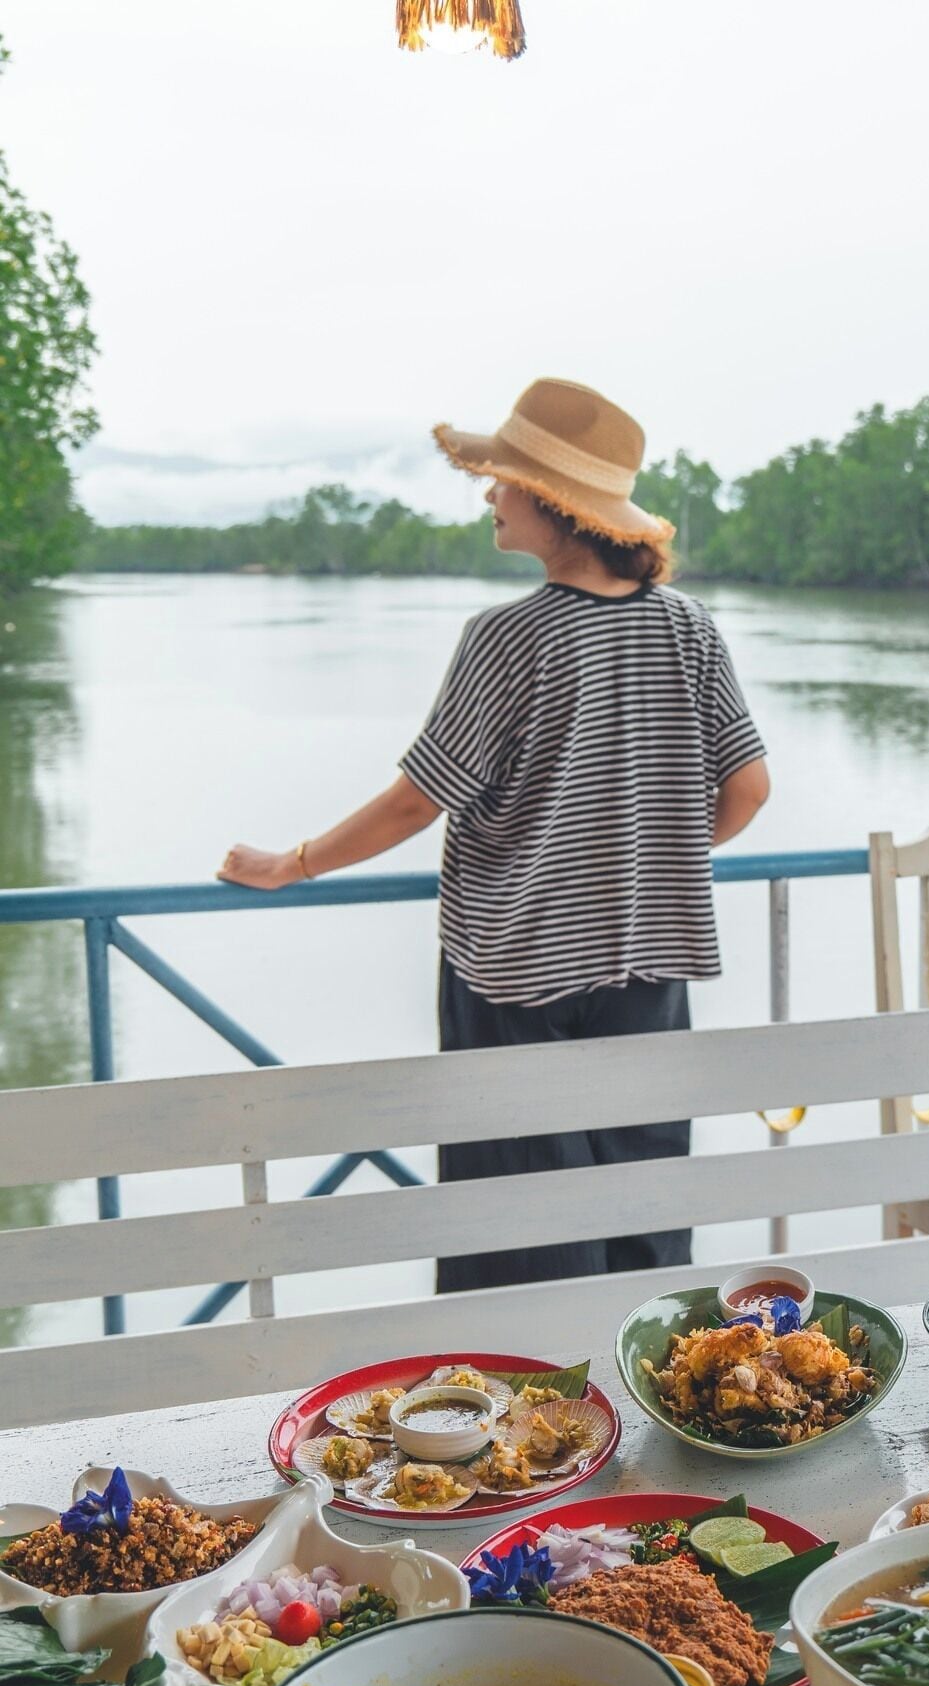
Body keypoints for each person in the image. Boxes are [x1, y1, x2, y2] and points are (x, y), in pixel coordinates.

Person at [220, 377, 769, 1291]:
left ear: (554, 506)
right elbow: (747, 788)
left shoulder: (508, 637)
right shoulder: (688, 627)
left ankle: (527, 1427)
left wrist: (294, 863)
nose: (489, 495)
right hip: (648, 970)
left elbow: (417, 799)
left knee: (518, 1239)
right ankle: (639, 1409)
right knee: (644, 1221)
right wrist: (640, 861)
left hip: (516, 976)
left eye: (503, 480)